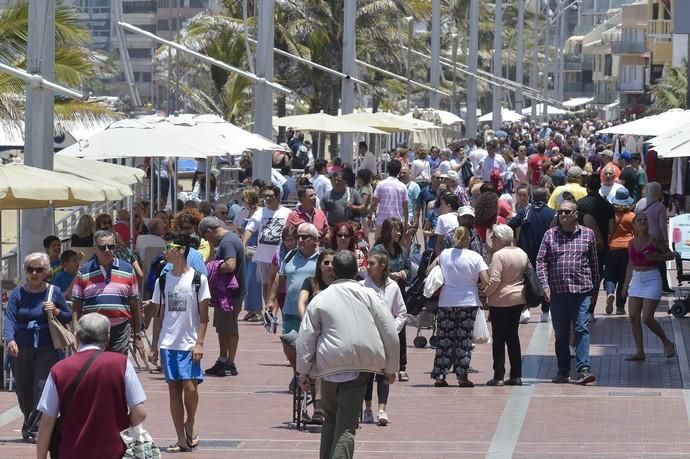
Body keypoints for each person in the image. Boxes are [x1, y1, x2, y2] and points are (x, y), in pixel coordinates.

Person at [296, 250, 399, 459]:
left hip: (329, 365)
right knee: (346, 426)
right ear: (356, 271)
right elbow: (389, 331)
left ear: (333, 272)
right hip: (360, 365)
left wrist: (303, 372)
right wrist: (391, 368)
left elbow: (306, 337)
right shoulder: (370, 295)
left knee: (331, 420)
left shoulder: (320, 298)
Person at [36, 314, 147, 459]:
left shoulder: (59, 369)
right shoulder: (121, 364)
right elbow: (140, 413)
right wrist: (120, 425)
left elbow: (47, 421)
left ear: (77, 337)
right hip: (113, 451)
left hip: (71, 452)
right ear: (107, 339)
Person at [149, 232, 211, 452]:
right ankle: (180, 438)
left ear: (181, 250)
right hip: (168, 342)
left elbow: (204, 316)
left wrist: (200, 342)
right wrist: (154, 345)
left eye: (169, 246)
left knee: (190, 387)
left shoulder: (197, 279)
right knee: (173, 390)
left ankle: (191, 422)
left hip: (189, 342)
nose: (165, 251)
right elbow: (158, 315)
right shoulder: (163, 279)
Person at [4, 252, 72, 442]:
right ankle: (29, 422)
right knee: (24, 390)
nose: (34, 273)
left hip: (47, 346)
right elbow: (10, 319)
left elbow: (67, 317)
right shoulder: (17, 293)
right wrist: (10, 340)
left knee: (41, 387)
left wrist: (56, 310)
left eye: (39, 269)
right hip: (21, 346)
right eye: (30, 269)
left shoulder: (54, 292)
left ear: (46, 271)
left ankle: (36, 429)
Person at [536, 200, 599, 385]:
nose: (562, 215)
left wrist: (595, 288)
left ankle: (583, 369)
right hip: (558, 292)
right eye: (560, 211)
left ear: (575, 215)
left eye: (566, 212)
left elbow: (594, 262)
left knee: (581, 328)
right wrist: (544, 285)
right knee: (561, 333)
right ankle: (563, 370)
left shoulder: (588, 234)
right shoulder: (550, 235)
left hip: (582, 290)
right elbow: (540, 261)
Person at [427, 226, 489, 387]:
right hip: (468, 303)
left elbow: (429, 270)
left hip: (446, 301)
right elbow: (485, 280)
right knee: (464, 341)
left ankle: (440, 375)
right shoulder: (475, 257)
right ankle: (462, 376)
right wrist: (480, 290)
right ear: (469, 239)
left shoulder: (445, 254)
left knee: (444, 340)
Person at [72, 230, 143, 356]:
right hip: (92, 329)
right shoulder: (83, 271)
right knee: (94, 368)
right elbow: (76, 304)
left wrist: (137, 335)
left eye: (110, 246)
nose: (106, 250)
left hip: (120, 329)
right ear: (95, 248)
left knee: (116, 368)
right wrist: (75, 332)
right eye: (102, 247)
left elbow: (134, 303)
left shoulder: (127, 269)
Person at [621, 212, 676, 361]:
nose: (643, 221)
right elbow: (630, 264)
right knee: (633, 316)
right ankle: (639, 352)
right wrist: (626, 285)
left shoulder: (655, 240)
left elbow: (671, 255)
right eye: (639, 220)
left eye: (645, 219)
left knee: (646, 318)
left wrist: (657, 257)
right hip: (637, 280)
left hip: (652, 278)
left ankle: (667, 342)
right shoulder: (631, 243)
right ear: (634, 225)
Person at [361, 252, 406, 426]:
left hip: (385, 338)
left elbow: (401, 312)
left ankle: (382, 409)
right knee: (366, 374)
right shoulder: (362, 286)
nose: (368, 266)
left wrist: (392, 330)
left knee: (384, 373)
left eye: (372, 263)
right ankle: (367, 408)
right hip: (366, 337)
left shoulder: (393, 287)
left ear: (382, 266)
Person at [199, 217, 245, 377]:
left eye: (206, 237)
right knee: (223, 328)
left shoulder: (227, 242)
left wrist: (213, 266)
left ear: (209, 231)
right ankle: (223, 359)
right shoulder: (230, 239)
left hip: (230, 295)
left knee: (230, 329)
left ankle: (229, 363)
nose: (207, 240)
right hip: (225, 294)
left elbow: (230, 265)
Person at [483, 224, 528, 386]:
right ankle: (516, 374)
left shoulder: (499, 255)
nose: (492, 240)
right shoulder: (521, 253)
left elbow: (494, 279)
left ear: (500, 238)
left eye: (493, 237)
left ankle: (499, 375)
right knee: (513, 337)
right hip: (518, 299)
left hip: (500, 301)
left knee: (499, 338)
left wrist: (485, 293)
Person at [371, 218, 410, 382]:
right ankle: (377, 364)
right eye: (395, 230)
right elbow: (372, 270)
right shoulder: (378, 249)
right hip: (381, 292)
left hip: (398, 292)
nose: (399, 233)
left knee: (400, 330)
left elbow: (407, 266)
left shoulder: (399, 249)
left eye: (400, 230)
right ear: (387, 231)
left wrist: (404, 273)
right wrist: (389, 275)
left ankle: (401, 367)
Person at [243, 184, 291, 306]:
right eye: (266, 196)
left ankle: (278, 309)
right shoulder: (260, 212)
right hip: (263, 256)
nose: (268, 199)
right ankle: (268, 311)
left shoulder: (287, 213)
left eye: (271, 196)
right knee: (265, 285)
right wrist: (243, 244)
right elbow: (250, 229)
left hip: (281, 256)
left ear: (278, 197)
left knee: (279, 285)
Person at [232, 189, 262, 321]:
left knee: (253, 280)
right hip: (246, 249)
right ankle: (250, 308)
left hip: (256, 248)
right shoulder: (244, 212)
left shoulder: (260, 212)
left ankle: (257, 309)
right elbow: (238, 227)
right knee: (245, 280)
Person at [605, 188, 635, 315]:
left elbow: (609, 231)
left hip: (612, 248)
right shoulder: (632, 216)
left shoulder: (612, 215)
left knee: (610, 275)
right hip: (628, 249)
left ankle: (610, 292)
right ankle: (620, 307)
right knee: (623, 278)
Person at [642, 182, 672, 293]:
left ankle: (648, 285)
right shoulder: (660, 206)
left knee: (648, 262)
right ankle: (664, 285)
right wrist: (666, 240)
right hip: (657, 238)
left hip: (646, 237)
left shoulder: (643, 204)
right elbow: (663, 226)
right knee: (661, 263)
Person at [369, 159, 409, 232]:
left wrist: (370, 217)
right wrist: (406, 222)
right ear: (399, 171)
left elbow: (374, 203)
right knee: (395, 242)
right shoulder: (403, 186)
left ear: (388, 169)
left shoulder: (381, 184)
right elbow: (405, 207)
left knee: (380, 242)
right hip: (397, 222)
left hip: (382, 221)